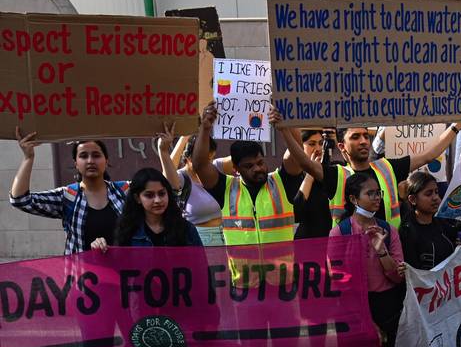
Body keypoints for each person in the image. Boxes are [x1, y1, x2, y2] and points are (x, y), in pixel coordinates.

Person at [10, 131, 174, 254]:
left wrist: (164, 152)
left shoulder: (124, 191)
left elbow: (170, 189)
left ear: (106, 161)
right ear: (76, 163)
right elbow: (20, 200)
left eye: (96, 155)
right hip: (83, 284)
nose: (90, 161)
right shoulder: (67, 196)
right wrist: (28, 158)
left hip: (125, 279)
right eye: (83, 156)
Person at [192, 104, 317, 246]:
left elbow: (297, 152)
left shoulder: (281, 182)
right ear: (235, 168)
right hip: (242, 269)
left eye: (260, 162)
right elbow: (199, 165)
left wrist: (285, 127)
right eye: (249, 166)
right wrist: (205, 128)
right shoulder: (226, 189)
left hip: (282, 268)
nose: (257, 168)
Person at [298, 121, 461, 229]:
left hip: (391, 255)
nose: (363, 141)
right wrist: (283, 128)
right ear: (342, 146)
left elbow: (429, 155)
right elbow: (304, 162)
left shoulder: (387, 167)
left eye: (365, 136)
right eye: (355, 137)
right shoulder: (336, 174)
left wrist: (457, 126)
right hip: (352, 256)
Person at [331, 172, 406, 347]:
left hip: (385, 307)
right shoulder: (340, 233)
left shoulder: (389, 231)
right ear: (354, 199)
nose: (376, 198)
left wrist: (381, 251)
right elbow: (338, 281)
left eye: (378, 193)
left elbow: (397, 277)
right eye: (370, 193)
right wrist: (366, 320)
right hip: (352, 309)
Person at [90, 168, 203, 250]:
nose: (157, 200)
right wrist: (100, 248)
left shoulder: (187, 229)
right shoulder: (127, 231)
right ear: (137, 198)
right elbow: (118, 268)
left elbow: (201, 268)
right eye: (149, 195)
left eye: (162, 193)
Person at [168, 132, 230, 246]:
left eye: (211, 158)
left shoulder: (216, 168)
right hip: (201, 239)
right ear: (188, 157)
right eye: (204, 159)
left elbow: (240, 157)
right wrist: (184, 136)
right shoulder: (181, 177)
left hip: (227, 236)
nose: (208, 163)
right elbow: (167, 171)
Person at [399, 171, 461, 271]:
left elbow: (457, 232)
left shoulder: (441, 223)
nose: (435, 198)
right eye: (428, 194)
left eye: (436, 192)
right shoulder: (407, 232)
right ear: (412, 199)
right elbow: (414, 274)